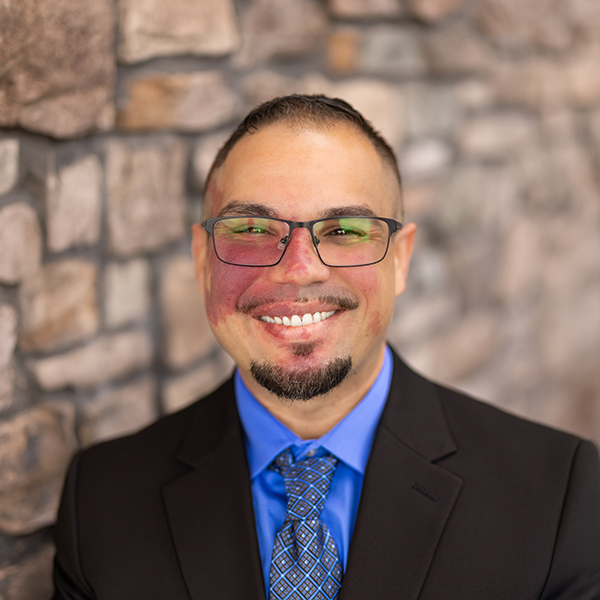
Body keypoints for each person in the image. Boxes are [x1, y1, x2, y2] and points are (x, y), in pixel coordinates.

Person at [52, 95, 600, 599]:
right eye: (252, 229)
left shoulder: (557, 496)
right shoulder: (101, 501)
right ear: (202, 260)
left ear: (400, 259)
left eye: (344, 230)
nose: (299, 270)